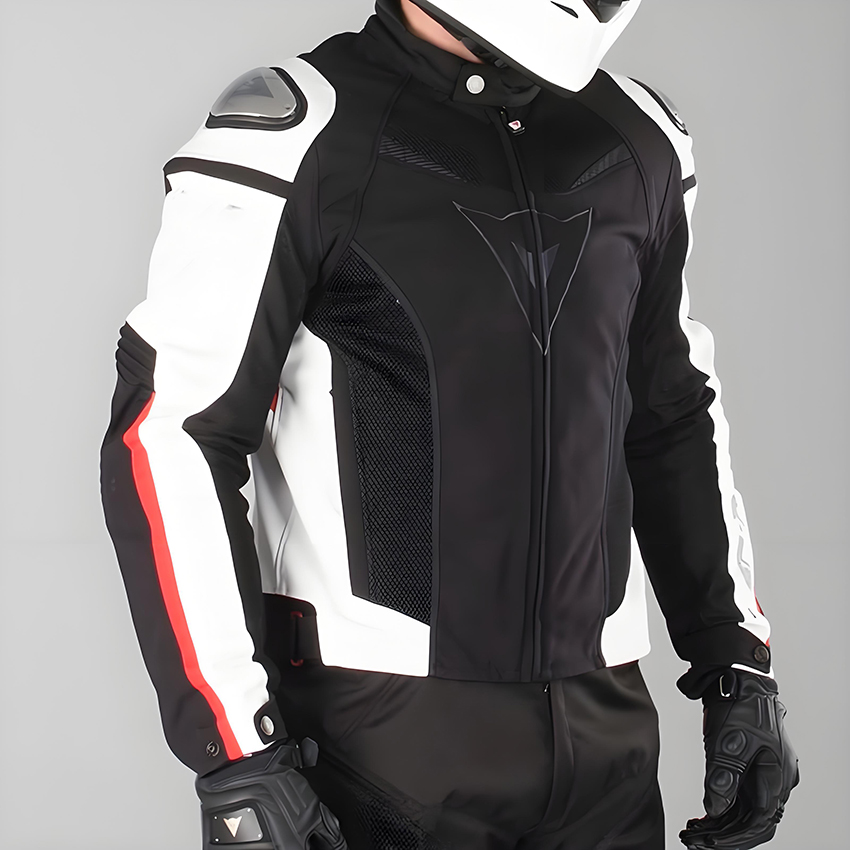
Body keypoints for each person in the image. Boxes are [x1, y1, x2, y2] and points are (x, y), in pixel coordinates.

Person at [99, 1, 799, 848]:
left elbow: (672, 415)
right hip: (379, 745)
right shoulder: (300, 136)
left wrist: (736, 662)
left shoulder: (636, 141)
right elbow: (172, 436)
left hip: (606, 738)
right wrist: (234, 749)